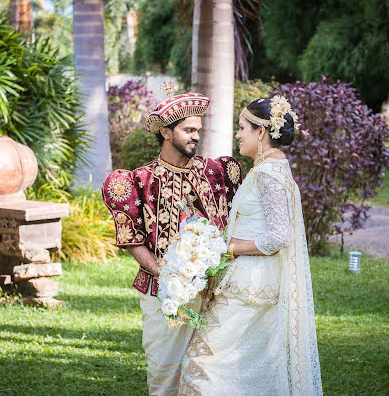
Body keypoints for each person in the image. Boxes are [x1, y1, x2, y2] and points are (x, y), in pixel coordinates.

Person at [101, 89, 242, 395]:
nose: (196, 136)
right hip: (162, 294)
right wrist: (164, 274)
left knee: (210, 376)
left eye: (198, 131)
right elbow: (133, 240)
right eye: (188, 130)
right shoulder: (140, 180)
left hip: (213, 293)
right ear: (166, 132)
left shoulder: (215, 173)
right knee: (165, 379)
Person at [179, 96, 322, 395]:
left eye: (242, 127)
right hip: (250, 284)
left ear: (262, 132)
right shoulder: (267, 170)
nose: (238, 134)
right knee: (244, 373)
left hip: (251, 286)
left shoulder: (269, 174)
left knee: (204, 366)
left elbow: (279, 236)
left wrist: (230, 248)